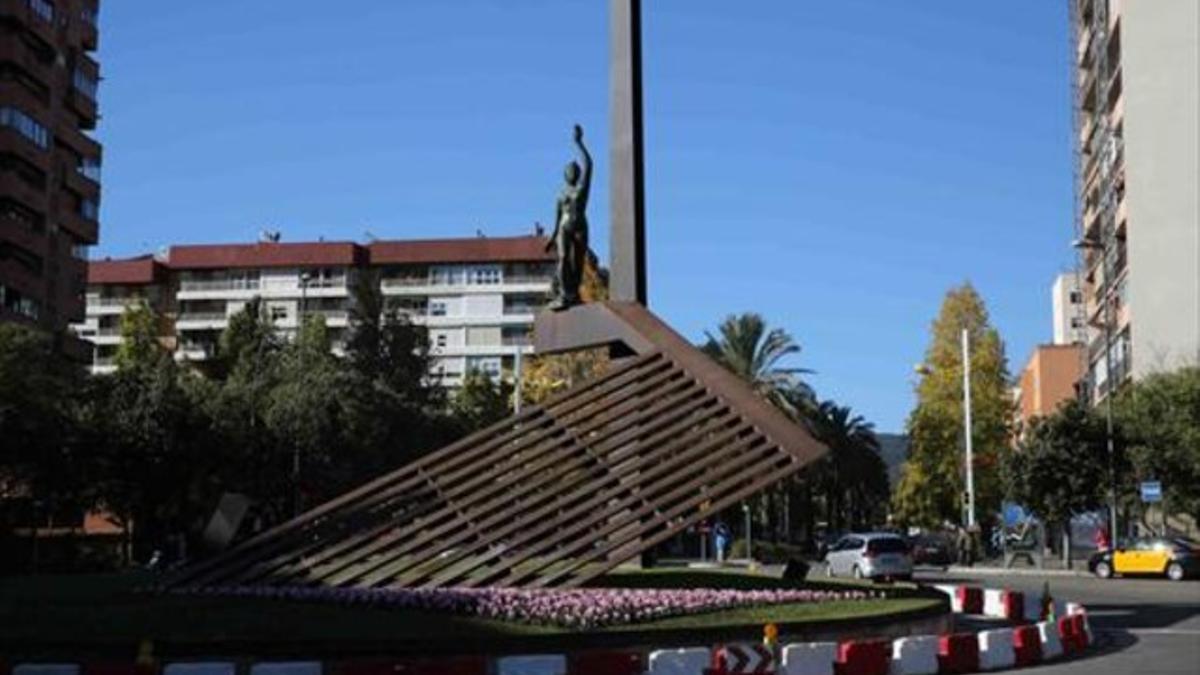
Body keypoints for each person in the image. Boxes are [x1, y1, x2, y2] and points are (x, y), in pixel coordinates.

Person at [545, 124, 592, 310]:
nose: (572, 172)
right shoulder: (561, 194)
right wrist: (552, 236)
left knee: (578, 263)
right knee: (564, 258)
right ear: (566, 175)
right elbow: (557, 216)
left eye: (575, 170)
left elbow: (589, 164)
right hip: (564, 227)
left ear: (578, 174)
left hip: (580, 226)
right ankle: (565, 294)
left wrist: (579, 143)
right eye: (569, 170)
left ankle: (574, 294)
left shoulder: (582, 189)